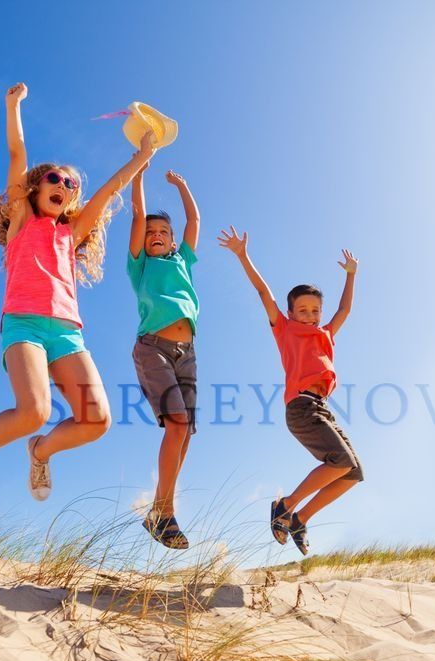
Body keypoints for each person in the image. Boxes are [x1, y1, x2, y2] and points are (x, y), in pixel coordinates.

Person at [0, 82, 157, 510]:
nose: (63, 184)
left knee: (97, 420)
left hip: (66, 333)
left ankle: (40, 452)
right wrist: (13, 108)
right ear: (34, 188)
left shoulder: (71, 233)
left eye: (69, 183)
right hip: (24, 323)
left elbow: (108, 192)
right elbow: (16, 156)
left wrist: (143, 156)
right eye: (54, 178)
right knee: (34, 411)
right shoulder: (23, 220)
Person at [219, 226, 362, 555]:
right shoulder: (284, 329)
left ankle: (300, 519)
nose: (310, 316)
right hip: (301, 408)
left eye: (314, 311)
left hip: (322, 408)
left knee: (353, 472)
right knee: (339, 460)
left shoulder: (325, 334)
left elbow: (345, 311)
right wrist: (243, 255)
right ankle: (285, 505)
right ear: (291, 312)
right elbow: (264, 293)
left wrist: (351, 275)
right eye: (303, 311)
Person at [127, 166, 201, 549]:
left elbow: (194, 220)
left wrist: (182, 185)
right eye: (151, 233)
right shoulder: (140, 266)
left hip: (187, 354)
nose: (156, 236)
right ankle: (165, 513)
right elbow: (138, 215)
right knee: (176, 424)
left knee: (185, 431)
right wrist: (140, 171)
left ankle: (159, 511)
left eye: (163, 233)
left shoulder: (182, 261)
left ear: (172, 241)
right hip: (152, 347)